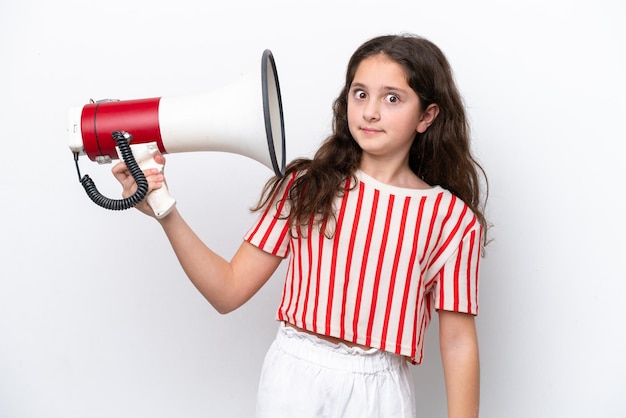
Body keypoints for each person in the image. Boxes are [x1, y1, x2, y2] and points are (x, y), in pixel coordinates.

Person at [113, 33, 489, 418]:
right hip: (293, 378)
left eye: (392, 98)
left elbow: (458, 343)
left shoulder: (452, 220)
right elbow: (227, 291)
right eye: (360, 94)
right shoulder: (307, 187)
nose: (370, 112)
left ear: (427, 115)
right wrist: (164, 210)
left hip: (380, 392)